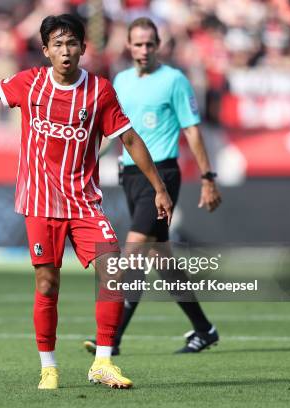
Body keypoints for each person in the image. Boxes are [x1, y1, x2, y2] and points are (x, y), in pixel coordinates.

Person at [0, 14, 172, 390]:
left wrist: (159, 186)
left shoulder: (99, 91)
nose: (65, 51)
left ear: (83, 48)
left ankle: (103, 362)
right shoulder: (31, 83)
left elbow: (131, 139)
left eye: (72, 43)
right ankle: (48, 366)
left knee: (113, 270)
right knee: (46, 284)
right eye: (57, 44)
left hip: (84, 202)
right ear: (45, 50)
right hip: (40, 202)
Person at [84, 17, 222, 355]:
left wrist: (207, 178)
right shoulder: (121, 80)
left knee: (131, 257)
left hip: (161, 176)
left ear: (158, 45)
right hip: (130, 175)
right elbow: (116, 132)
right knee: (162, 258)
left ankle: (111, 339)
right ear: (128, 46)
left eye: (149, 44)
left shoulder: (174, 81)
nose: (144, 50)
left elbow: (191, 130)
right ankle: (204, 329)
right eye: (138, 44)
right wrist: (85, 162)